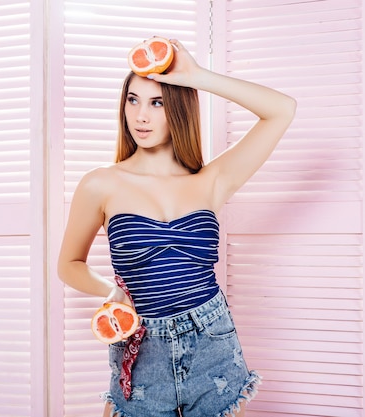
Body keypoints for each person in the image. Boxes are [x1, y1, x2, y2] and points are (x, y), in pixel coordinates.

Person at [57, 38, 296, 417]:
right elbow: (68, 263)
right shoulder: (100, 184)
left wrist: (196, 76)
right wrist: (111, 292)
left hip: (213, 341)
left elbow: (282, 109)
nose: (141, 116)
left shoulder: (210, 181)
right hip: (141, 346)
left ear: (179, 107)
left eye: (157, 102)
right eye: (133, 100)